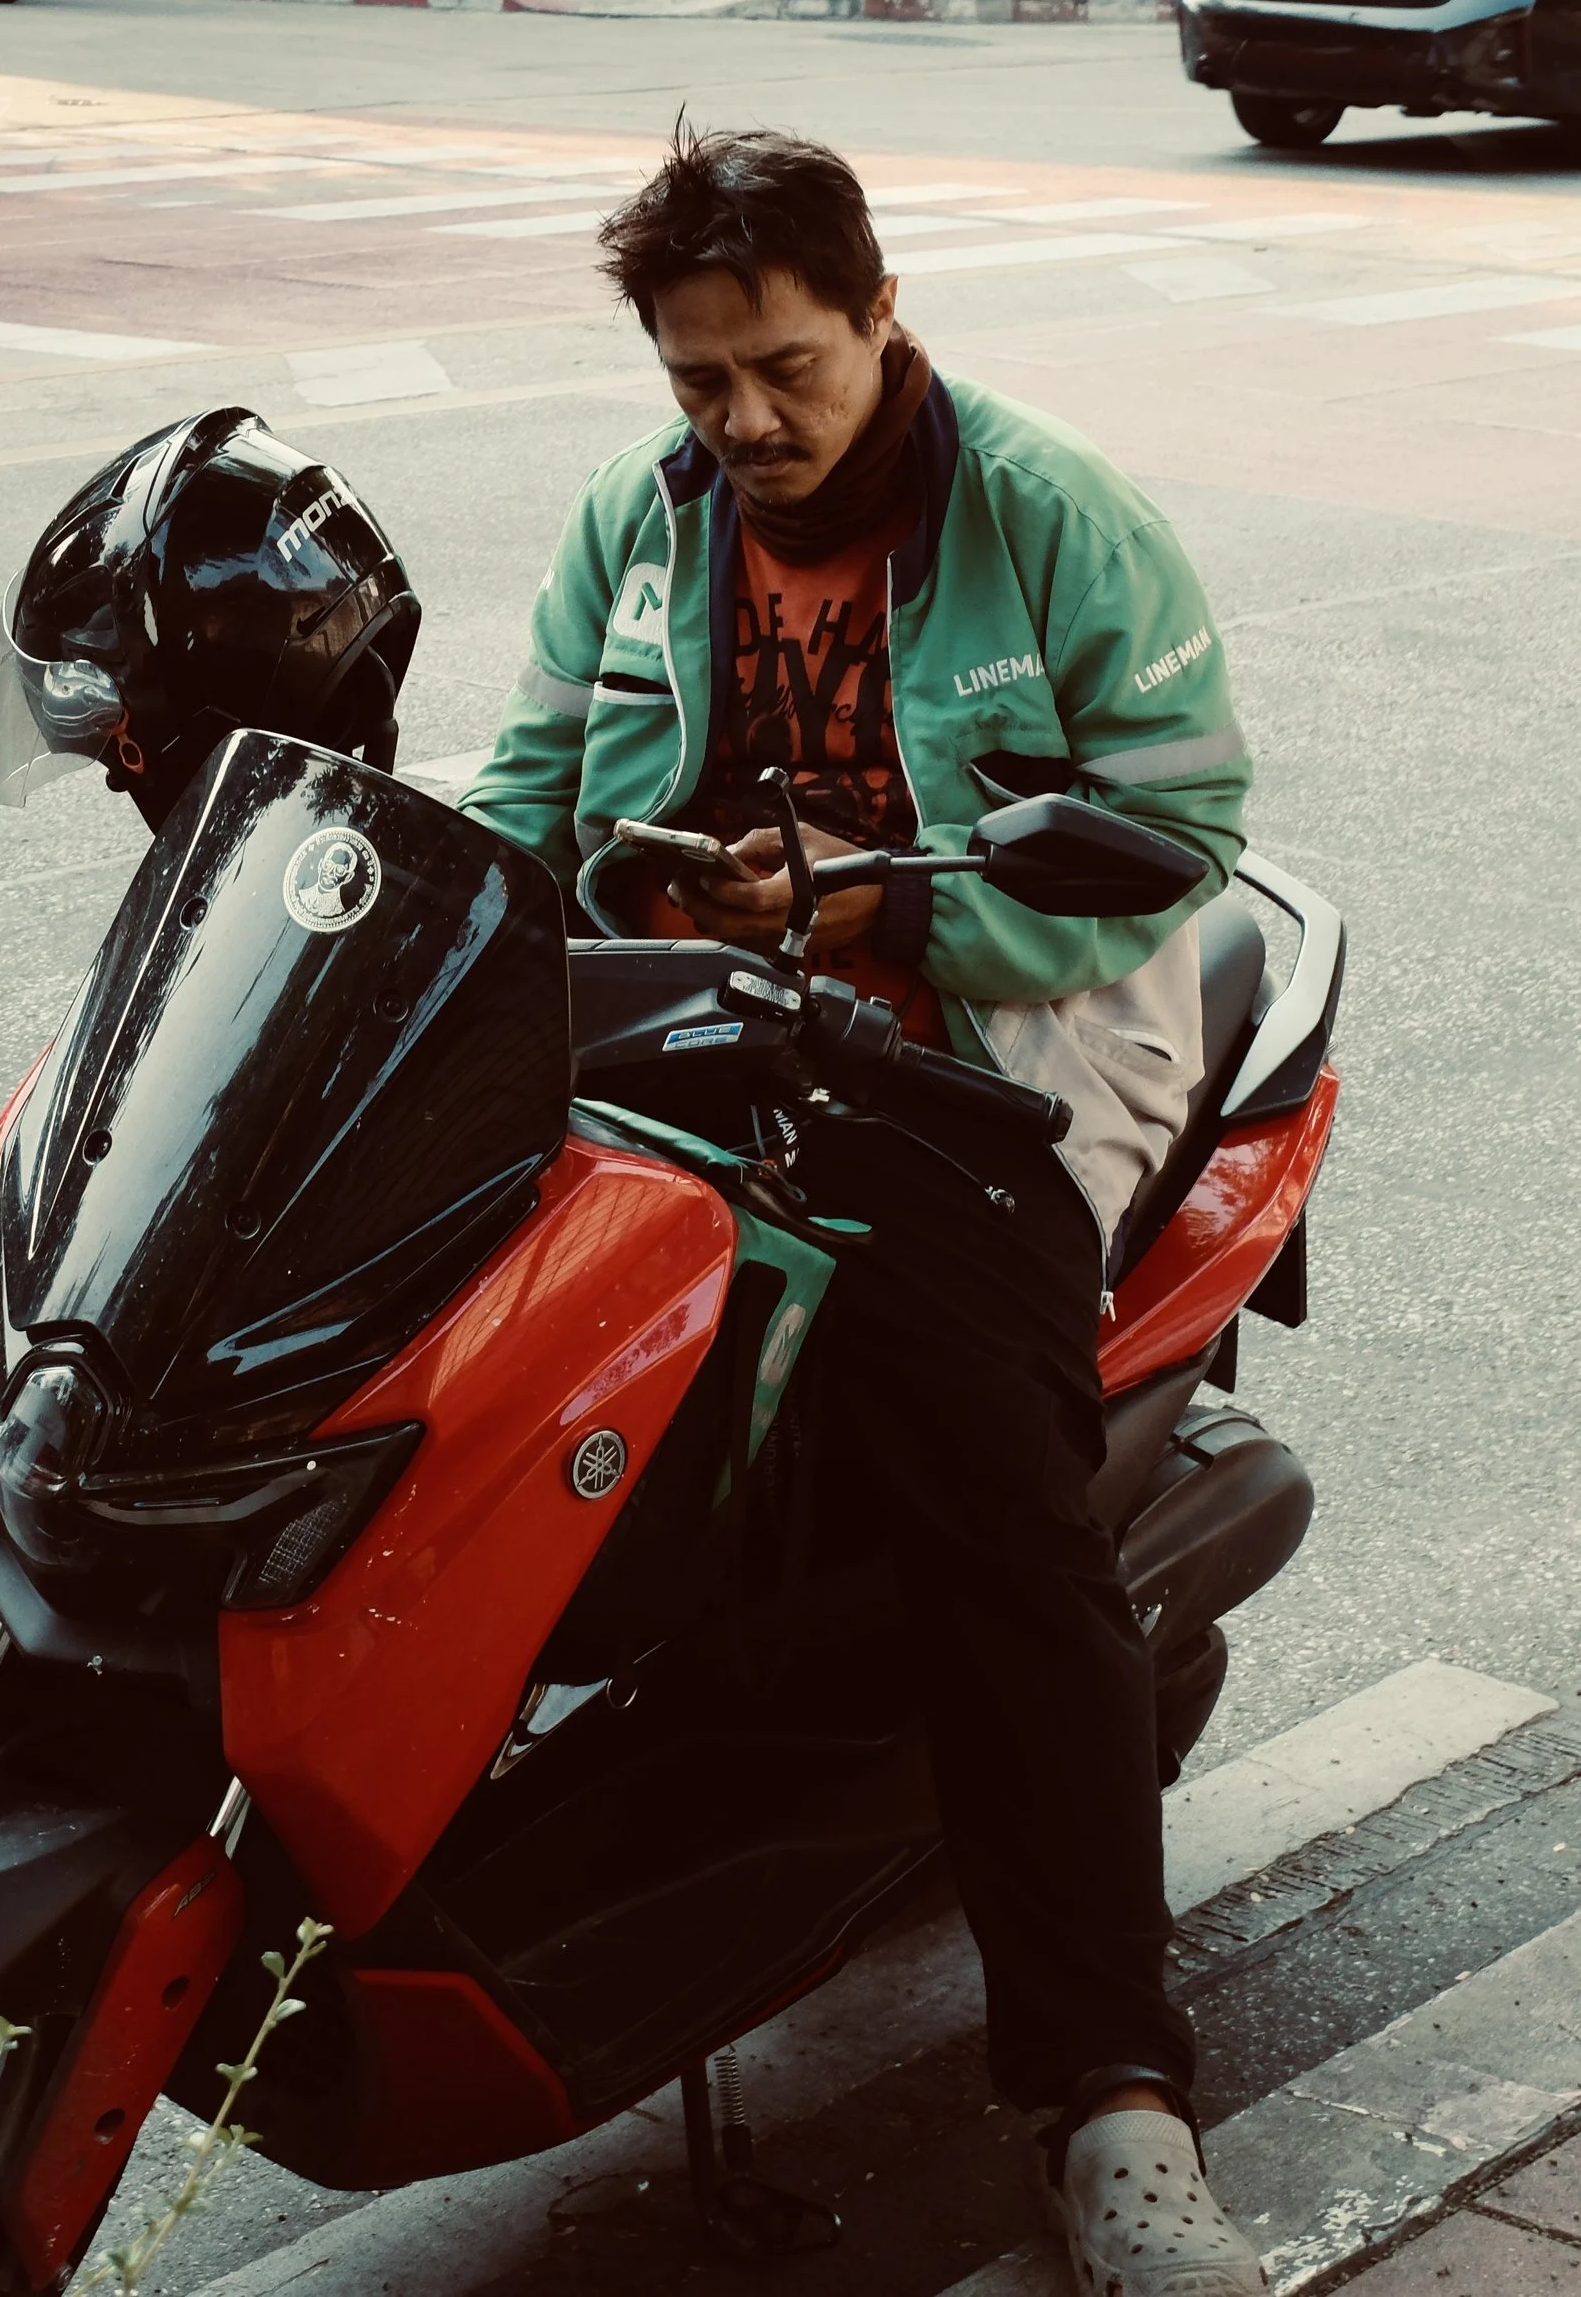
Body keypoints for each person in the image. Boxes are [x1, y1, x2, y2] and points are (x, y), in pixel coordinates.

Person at [462, 126, 1264, 2297]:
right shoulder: (640, 530)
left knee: (989, 1499)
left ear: (877, 311)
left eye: (783, 372)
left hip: (1003, 1035)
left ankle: (1110, 2103)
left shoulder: (1041, 507)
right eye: (696, 383)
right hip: (713, 1017)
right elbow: (519, 795)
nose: (742, 426)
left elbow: (1174, 817)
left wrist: (887, 904)